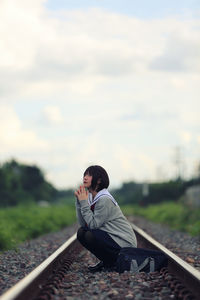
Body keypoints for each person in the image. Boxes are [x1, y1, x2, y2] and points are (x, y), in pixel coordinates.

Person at [75, 165, 137, 272]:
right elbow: (83, 224)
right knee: (81, 232)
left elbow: (93, 225)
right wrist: (79, 203)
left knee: (90, 234)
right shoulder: (91, 198)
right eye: (85, 174)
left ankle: (112, 262)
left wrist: (84, 203)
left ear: (98, 180)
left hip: (124, 243)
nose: (85, 177)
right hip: (112, 239)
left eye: (89, 175)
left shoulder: (104, 199)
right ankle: (108, 262)